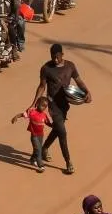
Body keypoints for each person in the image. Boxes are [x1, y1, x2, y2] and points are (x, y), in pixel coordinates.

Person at [31, 43, 93, 175]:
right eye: (52, 57)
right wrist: (34, 103)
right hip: (53, 106)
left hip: (65, 105)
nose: (55, 59)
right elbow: (42, 86)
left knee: (58, 129)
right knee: (62, 133)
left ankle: (44, 148)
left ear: (62, 55)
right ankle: (68, 162)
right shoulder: (46, 68)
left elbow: (79, 81)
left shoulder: (70, 66)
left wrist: (87, 92)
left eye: (57, 57)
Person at [12, 96, 53, 172]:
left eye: (45, 106)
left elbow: (47, 123)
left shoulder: (44, 114)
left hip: (41, 135)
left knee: (37, 149)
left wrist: (54, 126)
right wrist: (16, 117)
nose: (44, 108)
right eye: (42, 105)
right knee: (38, 150)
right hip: (34, 136)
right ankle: (40, 165)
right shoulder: (32, 112)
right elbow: (23, 114)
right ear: (37, 104)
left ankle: (32, 159)